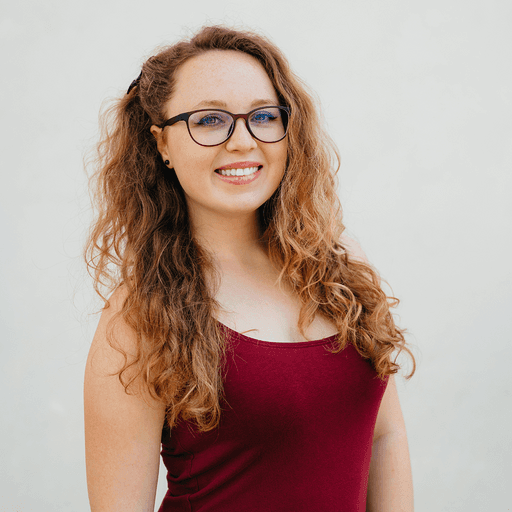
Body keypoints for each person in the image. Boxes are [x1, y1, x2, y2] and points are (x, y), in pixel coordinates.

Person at [83, 25, 416, 512]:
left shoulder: (341, 267)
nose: (243, 141)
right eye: (209, 120)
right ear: (162, 145)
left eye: (263, 116)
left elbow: (384, 436)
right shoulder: (139, 313)